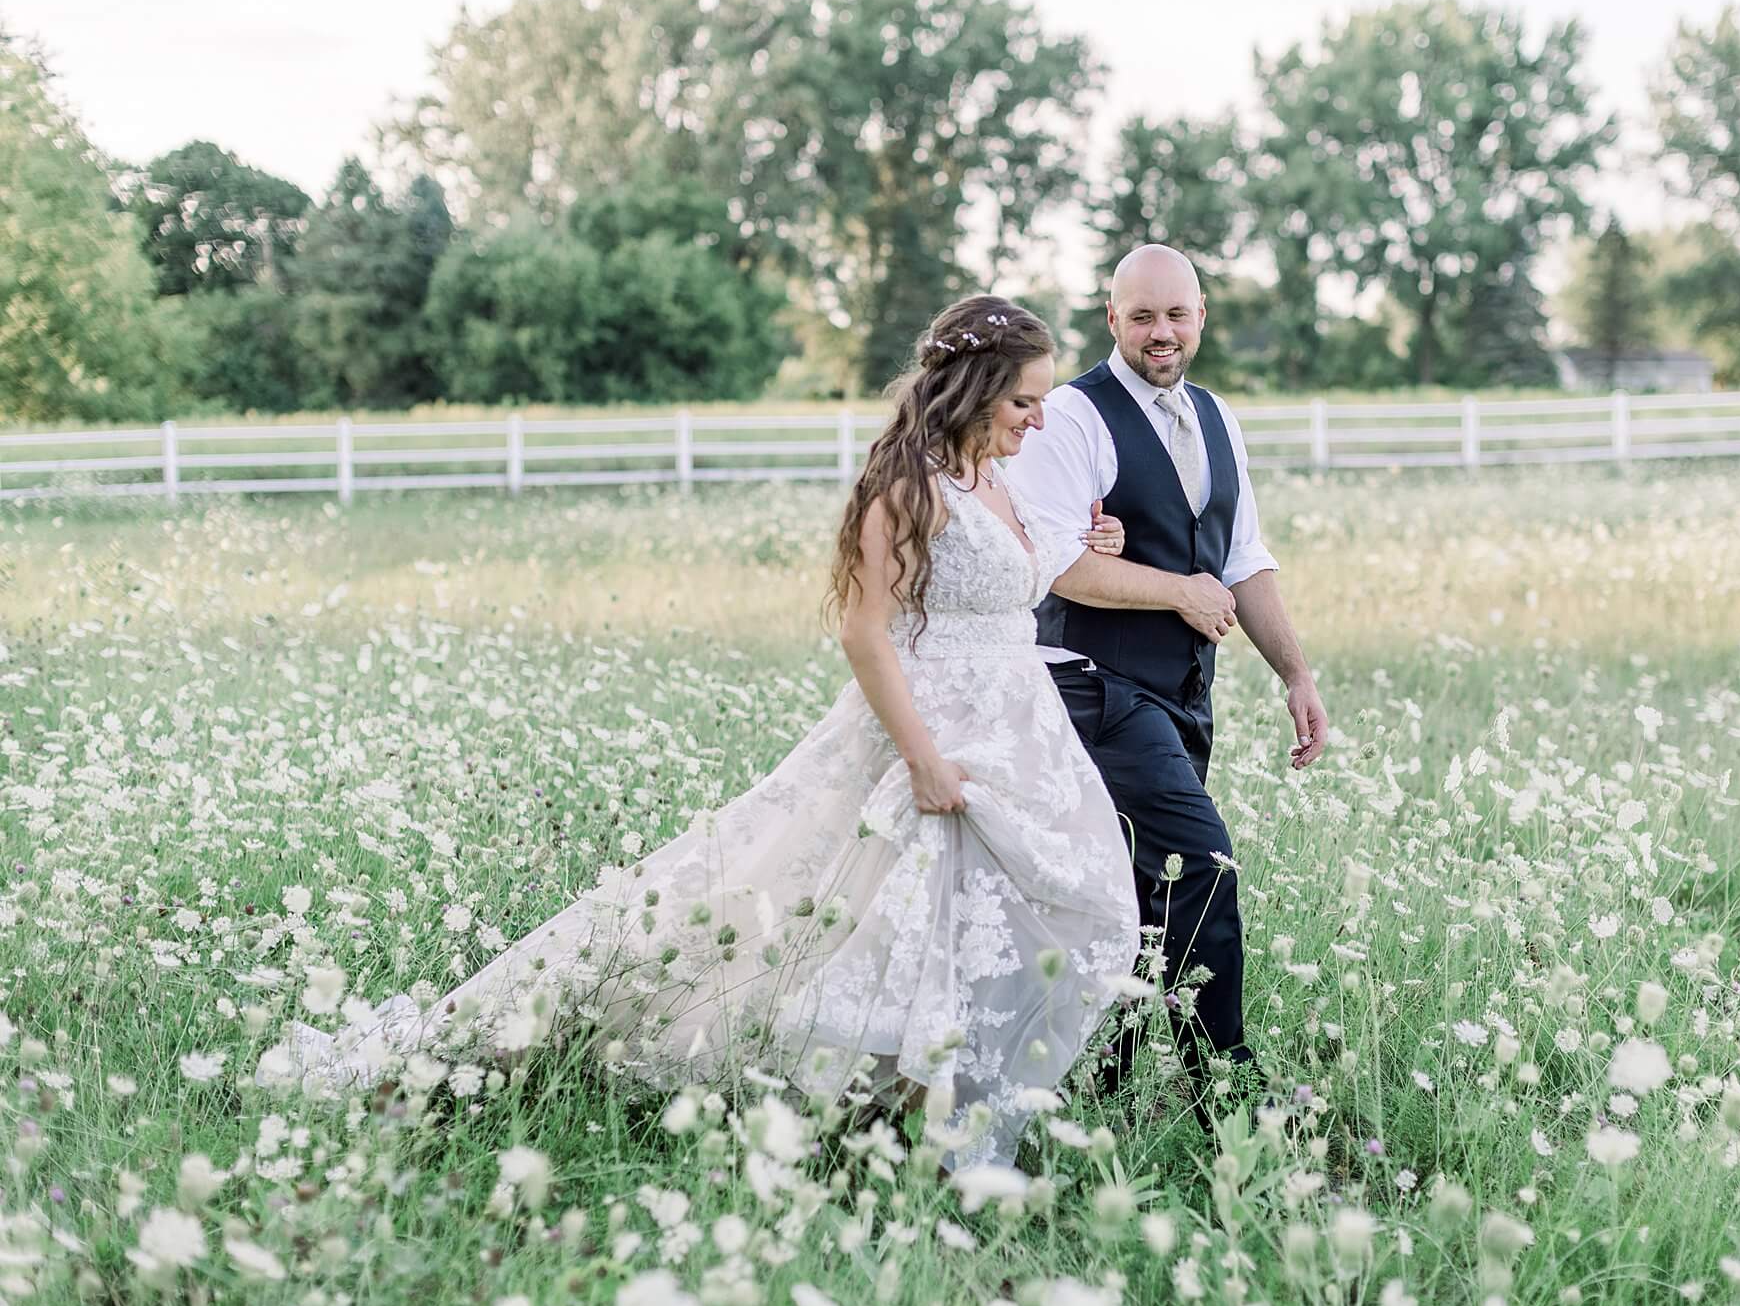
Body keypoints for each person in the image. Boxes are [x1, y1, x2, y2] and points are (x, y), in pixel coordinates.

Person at [261, 295, 1140, 1169]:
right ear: (974, 387)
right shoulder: (908, 484)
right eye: (1023, 400)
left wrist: (1089, 542)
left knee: (1020, 920)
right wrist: (921, 761)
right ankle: (864, 1117)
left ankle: (926, 1121)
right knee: (776, 913)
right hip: (932, 737)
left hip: (1018, 735)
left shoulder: (1000, 476)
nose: (1038, 418)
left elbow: (1021, 577)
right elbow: (865, 632)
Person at [1004, 244, 1328, 1122]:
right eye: (1142, 316)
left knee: (1138, 896)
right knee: (1203, 868)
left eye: (1176, 315)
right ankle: (1231, 1091)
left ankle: (1103, 1087)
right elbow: (1058, 565)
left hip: (1185, 692)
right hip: (1090, 688)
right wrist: (1179, 592)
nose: (1161, 333)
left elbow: (1243, 559)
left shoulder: (1216, 416)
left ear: (1201, 317)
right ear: (1112, 319)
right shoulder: (1072, 416)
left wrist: (1294, 672)